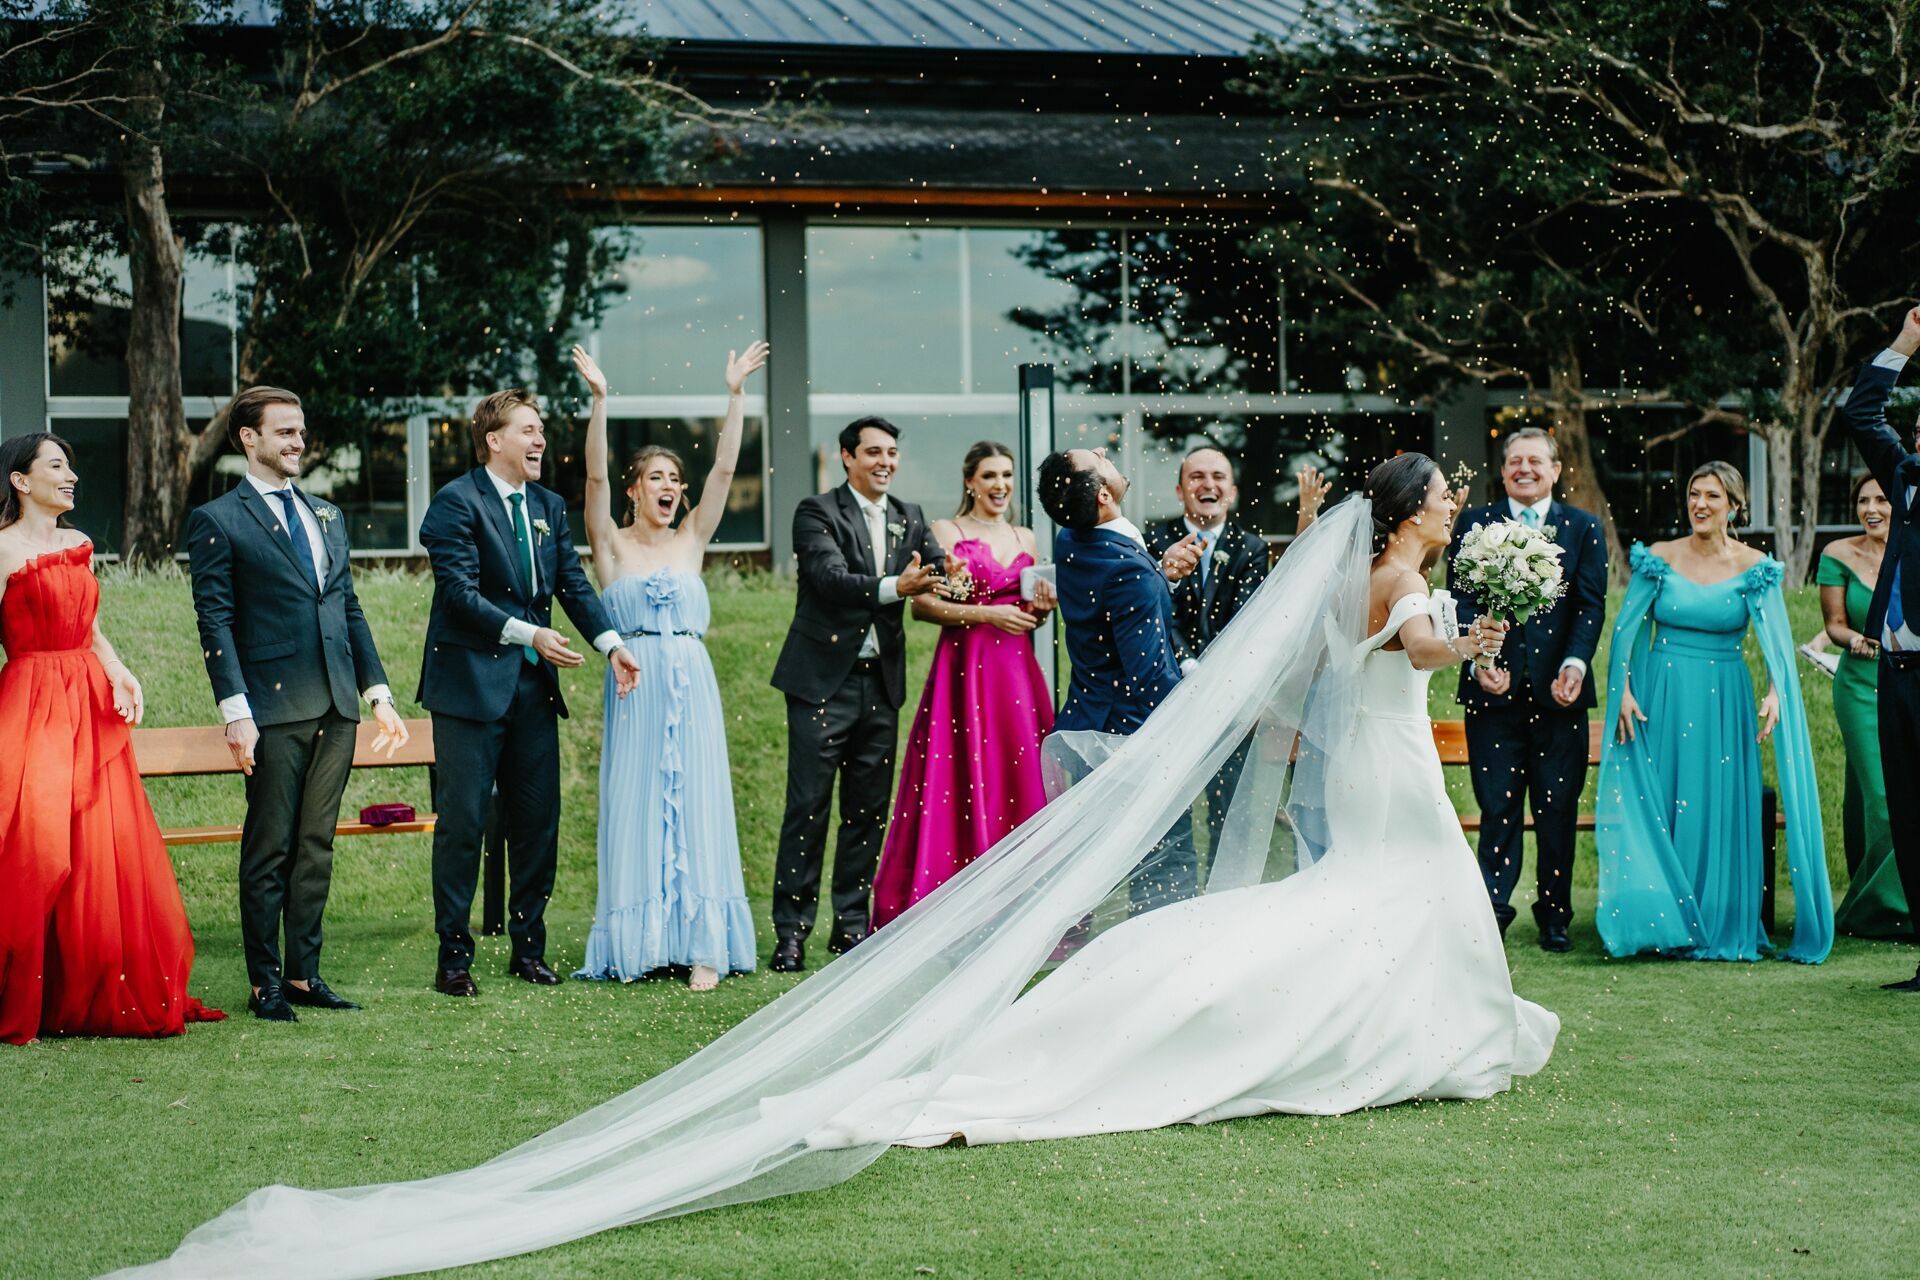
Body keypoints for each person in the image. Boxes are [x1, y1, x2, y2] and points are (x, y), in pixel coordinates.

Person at [119, 462, 1559, 1280]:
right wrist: (1482, 637)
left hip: (1373, 768)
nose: (1450, 512)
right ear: (1421, 510)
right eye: (1444, 502)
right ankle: (1359, 1026)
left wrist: (1461, 631)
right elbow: (1416, 654)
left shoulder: (1368, 569)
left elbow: (1329, 671)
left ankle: (1373, 1020)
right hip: (1385, 768)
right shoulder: (1406, 577)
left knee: (1365, 904)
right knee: (1365, 910)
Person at [185, 387, 410, 1021]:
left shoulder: (328, 515)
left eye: (301, 432)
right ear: (248, 439)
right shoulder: (219, 520)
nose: (297, 442)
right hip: (271, 711)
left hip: (338, 706)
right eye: (284, 432)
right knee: (270, 847)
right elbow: (216, 621)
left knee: (316, 844)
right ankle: (266, 982)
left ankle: (306, 975)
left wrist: (378, 694)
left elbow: (347, 608)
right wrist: (236, 713)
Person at [0, 433, 224, 1044]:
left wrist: (119, 670)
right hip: (29, 703)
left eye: (71, 465)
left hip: (88, 699)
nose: (71, 475)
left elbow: (92, 627)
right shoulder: (1, 552)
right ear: (21, 481)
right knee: (39, 844)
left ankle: (88, 985)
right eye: (56, 466)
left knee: (98, 844)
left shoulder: (79, 545)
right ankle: (27, 991)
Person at [417, 389, 641, 998]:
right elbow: (460, 597)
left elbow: (570, 581)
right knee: (463, 823)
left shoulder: (545, 504)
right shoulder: (454, 503)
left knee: (538, 820)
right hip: (468, 690)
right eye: (529, 430)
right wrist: (531, 633)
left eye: (542, 430)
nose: (541, 440)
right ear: (495, 440)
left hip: (532, 691)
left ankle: (529, 950)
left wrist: (610, 644)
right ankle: (454, 958)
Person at [570, 342, 767, 990]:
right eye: (656, 478)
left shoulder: (692, 540)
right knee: (637, 805)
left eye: (675, 481)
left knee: (699, 806)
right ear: (634, 489)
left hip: (693, 684)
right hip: (635, 686)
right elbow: (593, 480)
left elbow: (726, 467)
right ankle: (645, 944)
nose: (670, 488)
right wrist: (601, 402)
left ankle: (704, 946)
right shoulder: (611, 544)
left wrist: (735, 394)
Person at [1596, 462, 1830, 963]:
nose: (1700, 504)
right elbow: (1624, 631)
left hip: (1724, 697)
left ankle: (1719, 918)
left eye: (1713, 497)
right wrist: (1626, 691)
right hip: (1662, 694)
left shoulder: (1755, 566)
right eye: (1694, 494)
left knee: (1715, 801)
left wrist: (1775, 692)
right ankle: (1665, 918)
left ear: (1735, 507)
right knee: (1667, 799)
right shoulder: (1658, 558)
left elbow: (1779, 648)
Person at [768, 417, 953, 971]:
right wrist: (902, 586)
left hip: (881, 682)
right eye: (873, 452)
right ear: (846, 457)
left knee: (867, 810)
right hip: (821, 680)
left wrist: (958, 583)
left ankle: (851, 925)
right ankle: (792, 932)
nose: (884, 462)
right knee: (808, 807)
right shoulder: (817, 512)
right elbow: (830, 580)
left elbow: (940, 571)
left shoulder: (910, 517)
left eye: (892, 452)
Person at [870, 441, 1057, 930]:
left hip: (1015, 672)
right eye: (990, 476)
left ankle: (1018, 909)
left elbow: (1027, 611)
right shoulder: (945, 532)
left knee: (1018, 777)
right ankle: (949, 904)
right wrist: (984, 613)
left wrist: (1039, 608)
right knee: (959, 776)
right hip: (965, 669)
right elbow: (922, 606)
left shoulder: (1027, 537)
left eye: (1007, 476)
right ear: (969, 481)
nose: (1001, 486)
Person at [1446, 427, 1608, 951]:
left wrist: (1576, 665)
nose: (1525, 469)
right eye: (1515, 461)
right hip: (1492, 697)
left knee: (1557, 809)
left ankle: (1555, 914)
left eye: (1536, 461)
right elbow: (1462, 601)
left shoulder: (1583, 528)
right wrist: (1479, 660)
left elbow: (1589, 604)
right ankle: (1492, 911)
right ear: (1504, 469)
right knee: (1497, 807)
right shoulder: (1474, 524)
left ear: (1556, 470)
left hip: (1560, 699)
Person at [1044, 445, 1201, 914]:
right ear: (1105, 496)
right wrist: (1212, 701)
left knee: (1108, 867)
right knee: (1167, 867)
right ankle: (1155, 971)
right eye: (1095, 458)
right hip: (1134, 742)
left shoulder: (1072, 538)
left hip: (1093, 728)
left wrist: (1160, 574)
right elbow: (1150, 678)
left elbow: (1112, 606)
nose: (1102, 451)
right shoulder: (1128, 570)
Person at [1836, 309, 1920, 991]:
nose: (1916, 438)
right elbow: (1863, 413)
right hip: (1895, 674)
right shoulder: (1903, 475)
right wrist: (1905, 345)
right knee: (1908, 810)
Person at [1145, 445, 1269, 862]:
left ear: (1232, 491)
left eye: (1218, 477)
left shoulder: (1249, 547)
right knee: (1165, 818)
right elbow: (1155, 612)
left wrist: (1215, 676)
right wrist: (1185, 662)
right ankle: (1169, 905)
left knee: (1229, 813)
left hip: (1229, 701)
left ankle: (1221, 910)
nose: (1208, 485)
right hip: (1165, 696)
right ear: (1180, 490)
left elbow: (1246, 620)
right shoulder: (1153, 539)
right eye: (1197, 477)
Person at [1818, 474, 1909, 937]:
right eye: (1863, 500)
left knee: (1864, 796)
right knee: (1881, 797)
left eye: (1882, 499)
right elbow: (1833, 623)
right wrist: (1854, 639)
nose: (1872, 508)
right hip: (1859, 685)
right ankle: (1889, 910)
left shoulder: (1913, 551)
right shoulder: (1837, 554)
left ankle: (1870, 889)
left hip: (1908, 684)